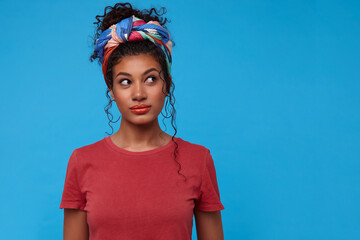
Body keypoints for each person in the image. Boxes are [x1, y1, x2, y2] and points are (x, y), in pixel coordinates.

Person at [59, 2, 225, 239]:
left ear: (166, 84)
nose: (138, 93)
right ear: (112, 90)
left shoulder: (198, 160)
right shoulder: (82, 161)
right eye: (125, 82)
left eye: (150, 79)